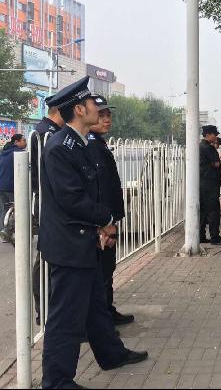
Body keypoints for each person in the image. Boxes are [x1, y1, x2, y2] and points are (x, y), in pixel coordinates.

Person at [38, 77, 148, 389]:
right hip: (69, 245)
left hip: (83, 240)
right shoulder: (60, 148)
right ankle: (56, 381)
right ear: (78, 109)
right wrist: (106, 219)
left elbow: (93, 191)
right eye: (91, 104)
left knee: (95, 304)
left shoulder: (81, 143)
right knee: (66, 317)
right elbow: (72, 199)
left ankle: (111, 354)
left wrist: (102, 224)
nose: (97, 110)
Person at [87, 95, 134, 328]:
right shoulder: (91, 147)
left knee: (107, 270)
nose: (106, 120)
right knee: (101, 272)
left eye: (108, 115)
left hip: (107, 220)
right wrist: (106, 223)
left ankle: (107, 311)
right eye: (101, 115)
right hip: (101, 224)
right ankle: (101, 321)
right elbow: (99, 191)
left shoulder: (99, 144)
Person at [31, 98, 65, 325]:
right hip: (46, 203)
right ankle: (43, 309)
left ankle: (48, 307)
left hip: (48, 202)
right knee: (45, 257)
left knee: (49, 256)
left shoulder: (50, 132)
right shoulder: (45, 134)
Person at [199, 125, 221, 245]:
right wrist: (220, 159)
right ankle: (215, 237)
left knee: (203, 212)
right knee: (213, 211)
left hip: (202, 183)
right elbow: (216, 163)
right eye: (214, 134)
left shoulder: (200, 146)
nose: (216, 137)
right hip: (210, 183)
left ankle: (201, 236)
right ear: (208, 135)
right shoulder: (208, 148)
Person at [0, 134, 27, 241]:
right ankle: (10, 231)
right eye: (23, 140)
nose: (25, 142)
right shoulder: (18, 153)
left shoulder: (3, 153)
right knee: (16, 210)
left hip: (1, 186)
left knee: (4, 209)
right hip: (11, 187)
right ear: (16, 142)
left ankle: (3, 232)